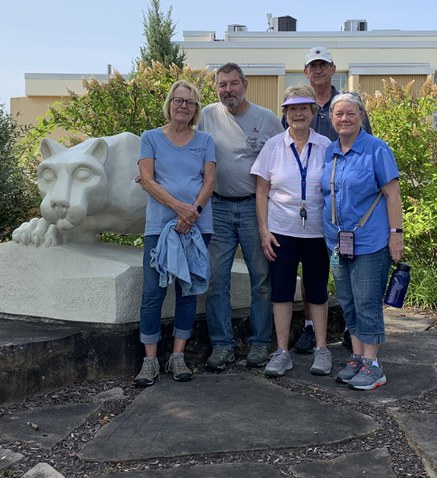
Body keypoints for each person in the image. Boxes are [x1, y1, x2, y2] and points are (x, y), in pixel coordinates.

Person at [198, 63, 284, 370]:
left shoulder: (268, 119)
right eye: (222, 85)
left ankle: (260, 344)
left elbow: (283, 160)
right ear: (216, 88)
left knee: (261, 279)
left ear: (245, 84)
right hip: (217, 207)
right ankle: (222, 346)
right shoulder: (206, 115)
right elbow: (186, 148)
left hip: (254, 207)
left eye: (234, 84)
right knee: (215, 279)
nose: (228, 90)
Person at [134, 80, 216, 387]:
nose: (184, 106)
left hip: (196, 227)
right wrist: (179, 208)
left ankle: (178, 357)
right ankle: (150, 360)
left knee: (188, 292)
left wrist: (191, 212)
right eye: (179, 101)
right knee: (153, 293)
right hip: (160, 228)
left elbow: (209, 182)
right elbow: (147, 179)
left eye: (190, 103)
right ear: (169, 103)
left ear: (196, 110)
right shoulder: (151, 138)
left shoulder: (205, 140)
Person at [320, 92, 404, 391]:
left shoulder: (377, 150)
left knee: (367, 303)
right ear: (331, 119)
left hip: (370, 242)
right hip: (338, 243)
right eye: (338, 114)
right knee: (348, 301)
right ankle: (356, 357)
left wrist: (396, 235)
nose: (344, 119)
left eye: (350, 113)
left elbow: (393, 194)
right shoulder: (330, 151)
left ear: (362, 116)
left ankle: (373, 365)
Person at [291, 46, 372, 353]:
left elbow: (366, 146)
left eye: (323, 64)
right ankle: (311, 328)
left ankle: (356, 330)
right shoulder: (299, 105)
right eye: (313, 65)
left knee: (347, 269)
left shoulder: (348, 104)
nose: (319, 70)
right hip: (308, 206)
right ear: (306, 71)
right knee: (311, 272)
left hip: (346, 207)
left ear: (333, 68)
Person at [251, 86, 333, 377]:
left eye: (304, 108)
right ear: (284, 114)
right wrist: (264, 230)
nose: (299, 114)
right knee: (282, 292)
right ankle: (282, 351)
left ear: (312, 112)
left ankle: (322, 349)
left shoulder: (326, 145)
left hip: (317, 232)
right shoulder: (273, 146)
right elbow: (262, 191)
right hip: (281, 232)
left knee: (318, 291)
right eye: (292, 109)